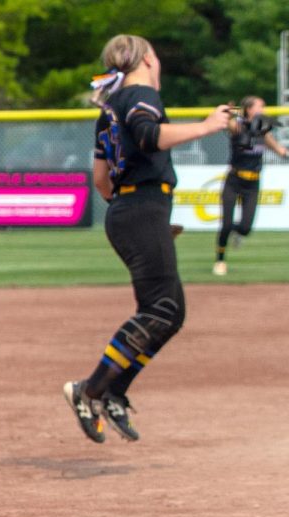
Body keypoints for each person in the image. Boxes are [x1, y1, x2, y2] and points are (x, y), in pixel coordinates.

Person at [62, 35, 229, 444]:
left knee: (170, 315)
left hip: (130, 212)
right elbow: (149, 135)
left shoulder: (108, 110)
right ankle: (90, 389)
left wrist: (137, 218)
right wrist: (208, 126)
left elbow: (101, 180)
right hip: (141, 211)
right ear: (148, 59)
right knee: (161, 309)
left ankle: (115, 390)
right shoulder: (141, 95)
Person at [213, 95, 287, 276]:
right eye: (260, 107)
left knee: (245, 228)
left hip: (252, 183)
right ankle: (220, 261)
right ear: (248, 109)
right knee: (226, 224)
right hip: (234, 180)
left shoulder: (263, 130)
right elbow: (228, 125)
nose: (263, 111)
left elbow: (279, 150)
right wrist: (228, 114)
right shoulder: (238, 126)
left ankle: (237, 235)